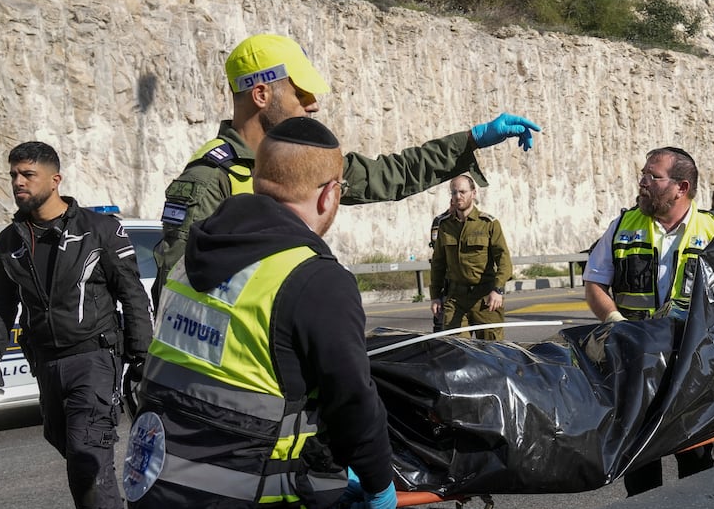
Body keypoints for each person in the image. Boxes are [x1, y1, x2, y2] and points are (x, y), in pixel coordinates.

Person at [123, 117, 397, 509]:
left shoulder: (192, 255)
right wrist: (376, 477)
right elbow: (353, 400)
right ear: (329, 194)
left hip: (160, 504)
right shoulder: (312, 277)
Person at [151, 32, 540, 306]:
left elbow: (393, 175)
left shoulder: (306, 162)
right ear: (261, 94)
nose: (314, 105)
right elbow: (176, 295)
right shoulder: (209, 179)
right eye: (300, 93)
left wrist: (471, 140)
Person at [0, 142, 152, 509]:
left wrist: (142, 355)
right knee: (66, 442)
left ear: (55, 180)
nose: (17, 183)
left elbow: (131, 294)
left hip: (94, 355)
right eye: (13, 174)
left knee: (87, 447)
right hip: (45, 360)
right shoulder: (11, 240)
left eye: (27, 174)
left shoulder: (99, 229)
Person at [583, 147, 714, 495]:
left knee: (697, 467)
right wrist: (615, 322)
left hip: (693, 368)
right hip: (636, 367)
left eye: (652, 176)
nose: (642, 182)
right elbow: (594, 283)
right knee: (640, 472)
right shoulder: (622, 226)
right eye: (642, 174)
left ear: (681, 187)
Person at [429, 174, 512, 340]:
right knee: (457, 351)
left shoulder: (488, 224)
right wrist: (435, 296)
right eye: (453, 193)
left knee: (491, 353)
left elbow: (504, 260)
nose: (458, 196)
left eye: (462, 192)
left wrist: (498, 289)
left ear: (473, 193)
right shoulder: (444, 226)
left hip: (485, 299)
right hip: (455, 299)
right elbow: (438, 263)